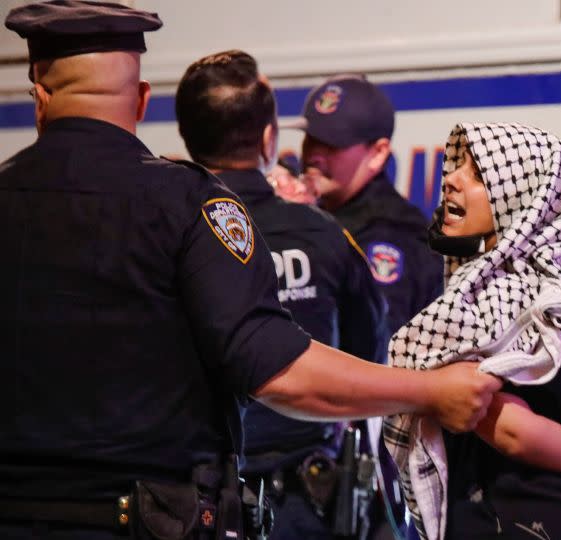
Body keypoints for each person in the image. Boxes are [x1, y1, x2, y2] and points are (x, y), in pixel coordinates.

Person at [0, 3, 500, 539]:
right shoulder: (189, 205)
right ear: (142, 100)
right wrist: (430, 391)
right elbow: (276, 369)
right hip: (149, 520)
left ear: (40, 97)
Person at [385, 122, 561, 540]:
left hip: (499, 520)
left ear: (527, 198)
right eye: (455, 167)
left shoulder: (480, 306)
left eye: (477, 174)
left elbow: (508, 428)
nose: (450, 179)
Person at [175, 50, 391, 540]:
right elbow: (371, 360)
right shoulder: (326, 237)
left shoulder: (161, 235)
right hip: (305, 503)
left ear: (186, 135)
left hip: (192, 506)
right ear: (269, 139)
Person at [288, 75, 444, 335]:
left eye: (331, 143)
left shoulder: (391, 236)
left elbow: (375, 349)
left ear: (378, 153)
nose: (313, 153)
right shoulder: (316, 216)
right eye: (311, 138)